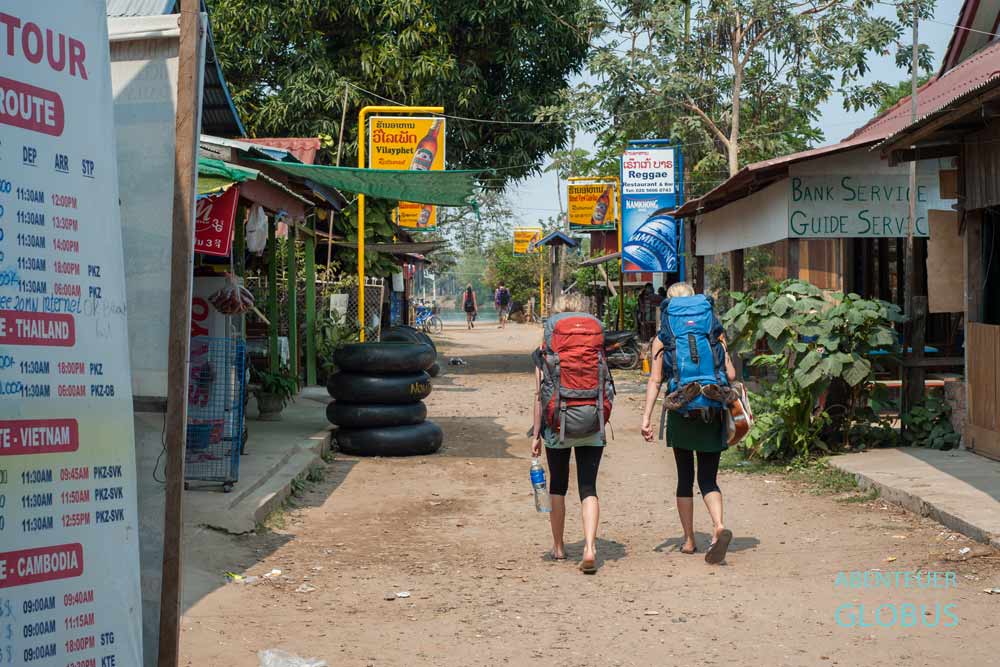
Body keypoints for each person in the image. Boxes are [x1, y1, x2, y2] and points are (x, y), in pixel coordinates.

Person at [640, 281, 737, 564]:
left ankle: (689, 539)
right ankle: (718, 526)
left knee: (684, 478)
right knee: (708, 478)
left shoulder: (663, 338)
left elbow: (655, 380)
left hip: (681, 408)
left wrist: (646, 417)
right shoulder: (714, 332)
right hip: (712, 407)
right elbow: (730, 374)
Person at [531, 331, 605, 574]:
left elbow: (539, 397)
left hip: (557, 425)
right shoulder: (595, 347)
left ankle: (559, 547)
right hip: (592, 422)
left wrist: (536, 435)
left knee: (558, 485)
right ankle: (590, 548)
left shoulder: (546, 350)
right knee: (588, 487)